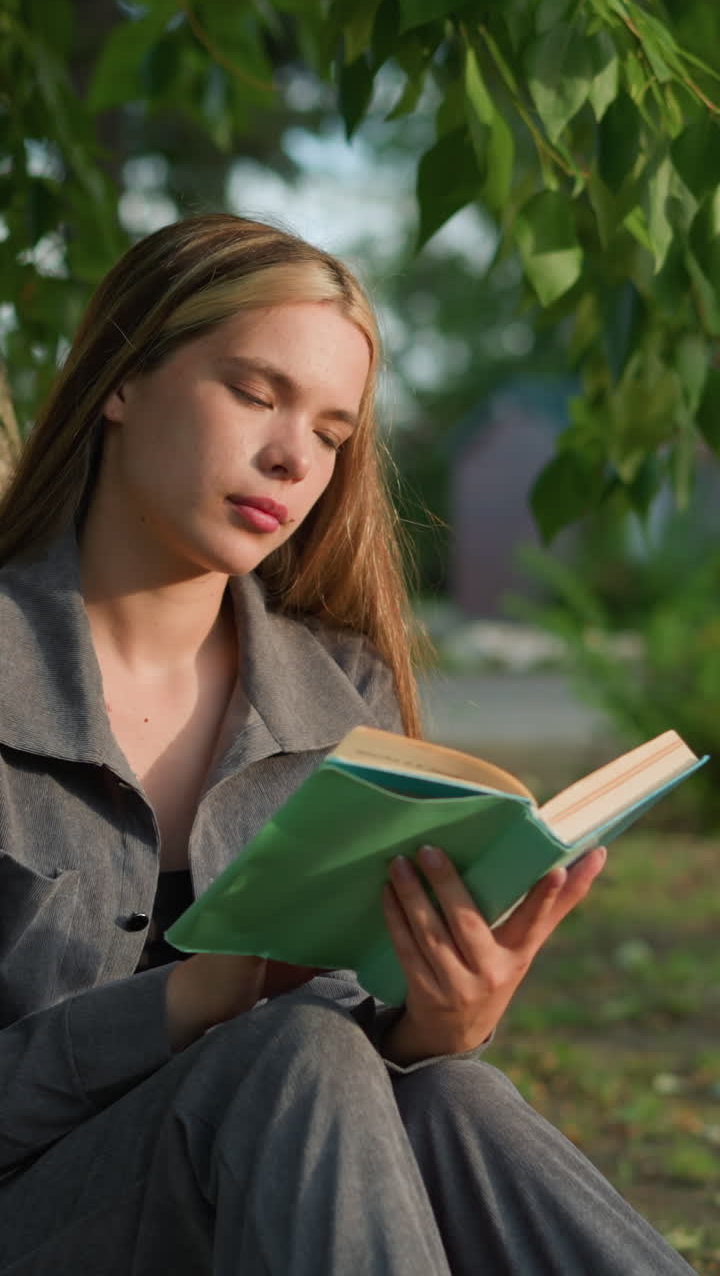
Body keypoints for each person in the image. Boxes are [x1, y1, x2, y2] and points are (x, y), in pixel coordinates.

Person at [0, 213, 697, 1276]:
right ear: (121, 379)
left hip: (267, 1212)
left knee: (450, 1089)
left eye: (331, 432)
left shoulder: (342, 695)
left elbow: (356, 1087)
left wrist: (438, 1020)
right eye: (254, 391)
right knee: (293, 1048)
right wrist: (191, 1000)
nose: (292, 455)